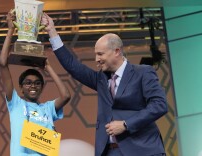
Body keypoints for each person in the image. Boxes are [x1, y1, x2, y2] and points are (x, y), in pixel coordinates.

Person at [41, 13, 168, 156]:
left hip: (142, 150)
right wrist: (52, 31)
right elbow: (72, 65)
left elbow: (159, 105)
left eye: (100, 54)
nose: (97, 59)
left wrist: (126, 124)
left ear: (117, 51)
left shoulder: (143, 72)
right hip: (110, 151)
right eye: (96, 54)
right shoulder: (100, 79)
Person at [0, 11, 71, 156]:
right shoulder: (15, 103)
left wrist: (48, 68)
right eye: (28, 83)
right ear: (21, 87)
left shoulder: (48, 108)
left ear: (42, 87)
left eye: (37, 83)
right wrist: (11, 30)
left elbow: (66, 96)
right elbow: (2, 64)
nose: (33, 86)